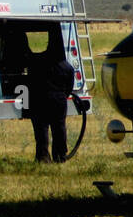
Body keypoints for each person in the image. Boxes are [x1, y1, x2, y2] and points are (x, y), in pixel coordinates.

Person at [23, 28, 87, 163]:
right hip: (59, 101)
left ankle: (43, 157)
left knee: (41, 130)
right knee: (59, 128)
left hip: (40, 100)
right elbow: (69, 87)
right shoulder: (67, 67)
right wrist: (62, 95)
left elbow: (28, 62)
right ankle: (60, 156)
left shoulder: (37, 62)